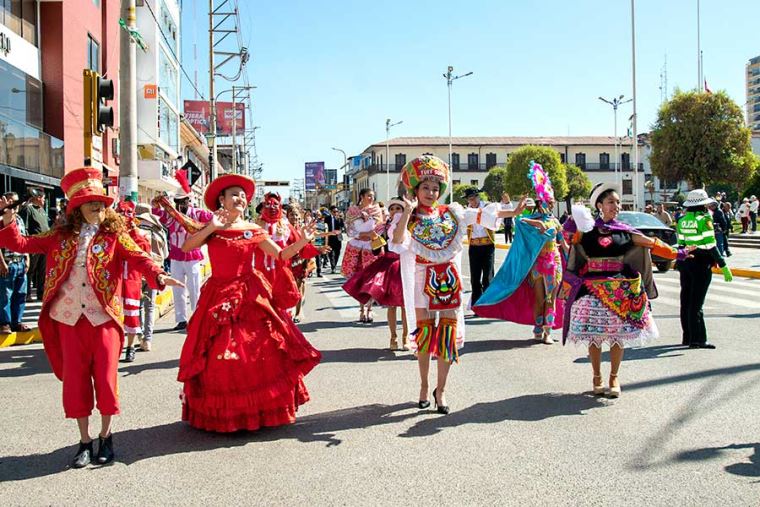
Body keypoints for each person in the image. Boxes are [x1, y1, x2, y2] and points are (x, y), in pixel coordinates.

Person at [0, 168, 182, 468]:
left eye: (100, 202)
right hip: (69, 320)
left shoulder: (115, 235)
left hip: (104, 320)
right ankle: (84, 441)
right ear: (76, 208)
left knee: (107, 381)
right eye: (90, 202)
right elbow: (21, 244)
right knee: (76, 383)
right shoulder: (59, 236)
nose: (98, 207)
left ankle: (106, 437)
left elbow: (139, 257)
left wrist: (159, 276)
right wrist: (8, 219)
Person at [177, 174, 322, 432]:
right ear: (221, 199)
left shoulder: (254, 230)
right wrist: (211, 227)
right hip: (218, 294)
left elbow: (280, 255)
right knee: (219, 356)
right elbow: (188, 247)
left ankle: (259, 410)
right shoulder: (211, 227)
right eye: (234, 194)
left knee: (259, 352)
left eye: (243, 195)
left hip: (250, 293)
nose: (240, 198)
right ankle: (226, 413)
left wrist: (303, 240)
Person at [389, 155, 525, 413]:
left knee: (447, 338)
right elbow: (397, 242)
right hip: (421, 283)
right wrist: (406, 212)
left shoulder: (452, 213)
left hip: (449, 283)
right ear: (415, 190)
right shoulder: (408, 218)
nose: (431, 192)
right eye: (425, 188)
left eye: (435, 188)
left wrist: (514, 211)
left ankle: (441, 391)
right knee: (426, 338)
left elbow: (481, 216)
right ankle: (423, 384)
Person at [560, 183, 688, 397]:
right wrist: (569, 228)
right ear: (600, 205)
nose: (616, 206)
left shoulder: (625, 232)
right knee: (594, 336)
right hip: (591, 289)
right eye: (611, 202)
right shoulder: (586, 231)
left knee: (617, 335)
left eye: (618, 202)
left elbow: (651, 243)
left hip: (620, 288)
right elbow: (570, 246)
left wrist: (677, 254)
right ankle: (597, 377)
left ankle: (614, 377)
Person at [474, 162, 567, 345]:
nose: (549, 205)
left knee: (552, 298)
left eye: (551, 203)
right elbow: (519, 220)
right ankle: (538, 328)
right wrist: (537, 224)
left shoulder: (556, 222)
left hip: (554, 264)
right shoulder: (531, 219)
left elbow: (562, 243)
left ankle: (548, 332)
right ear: (540, 203)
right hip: (537, 265)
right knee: (539, 299)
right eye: (546, 202)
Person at [343, 198, 409, 350]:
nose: (394, 211)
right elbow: (376, 250)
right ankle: (393, 337)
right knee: (392, 306)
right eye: (392, 209)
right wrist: (375, 240)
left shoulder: (409, 226)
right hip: (389, 267)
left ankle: (405, 338)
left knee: (406, 306)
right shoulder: (384, 228)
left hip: (405, 266)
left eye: (398, 208)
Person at [676, 189, 733, 349]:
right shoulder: (705, 220)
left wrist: (679, 261)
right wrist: (723, 264)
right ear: (703, 205)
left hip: (686, 262)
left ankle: (687, 336)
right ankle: (698, 339)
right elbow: (710, 245)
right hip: (701, 264)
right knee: (697, 303)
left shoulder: (682, 220)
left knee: (685, 300)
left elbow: (680, 243)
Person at [152, 192, 213, 330]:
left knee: (194, 289)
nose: (180, 205)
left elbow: (212, 218)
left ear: (188, 200)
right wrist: (155, 205)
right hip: (176, 256)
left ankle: (197, 317)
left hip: (192, 256)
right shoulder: (172, 214)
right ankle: (181, 320)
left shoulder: (198, 213)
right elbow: (159, 215)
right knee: (177, 288)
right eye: (177, 201)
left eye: (183, 201)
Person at [115, 200, 152, 363]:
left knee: (132, 314)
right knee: (113, 315)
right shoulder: (111, 235)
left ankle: (130, 348)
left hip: (132, 280)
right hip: (113, 281)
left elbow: (145, 255)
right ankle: (114, 346)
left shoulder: (139, 236)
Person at [342, 189, 384, 323]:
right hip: (356, 248)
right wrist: (359, 235)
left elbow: (380, 228)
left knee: (370, 280)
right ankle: (361, 310)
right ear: (362, 196)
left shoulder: (377, 210)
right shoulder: (353, 210)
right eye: (369, 196)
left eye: (373, 196)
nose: (371, 198)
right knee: (359, 280)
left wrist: (370, 235)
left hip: (370, 248)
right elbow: (348, 228)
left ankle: (370, 310)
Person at [134, 203, 168, 351]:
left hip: (138, 271)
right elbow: (166, 253)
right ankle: (148, 339)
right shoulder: (159, 231)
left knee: (139, 305)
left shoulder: (134, 230)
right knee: (150, 306)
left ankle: (140, 336)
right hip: (155, 270)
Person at [0, 192, 30, 334]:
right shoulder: (1, 219)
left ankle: (16, 321)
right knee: (5, 294)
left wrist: (27, 257)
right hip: (7, 263)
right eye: (11, 201)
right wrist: (1, 263)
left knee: (20, 293)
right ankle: (4, 323)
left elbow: (23, 239)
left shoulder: (19, 219)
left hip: (20, 262)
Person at [464, 188, 496, 309]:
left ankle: (487, 304)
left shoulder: (488, 207)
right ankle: (477, 306)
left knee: (488, 276)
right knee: (475, 278)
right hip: (474, 247)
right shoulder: (467, 211)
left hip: (488, 246)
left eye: (472, 198)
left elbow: (499, 217)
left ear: (478, 197)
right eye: (469, 199)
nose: (471, 201)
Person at [18, 186, 50, 301]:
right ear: (37, 197)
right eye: (42, 198)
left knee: (43, 270)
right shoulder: (28, 209)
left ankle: (41, 293)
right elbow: (24, 228)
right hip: (34, 243)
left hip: (44, 244)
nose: (43, 200)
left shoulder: (42, 210)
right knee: (30, 270)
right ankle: (27, 294)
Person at [325, 205, 344, 272]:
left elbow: (342, 227)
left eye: (337, 211)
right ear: (330, 212)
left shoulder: (340, 219)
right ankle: (333, 267)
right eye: (334, 211)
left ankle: (335, 265)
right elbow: (325, 228)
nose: (335, 213)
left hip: (338, 238)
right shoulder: (327, 218)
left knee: (337, 252)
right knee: (331, 253)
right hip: (330, 237)